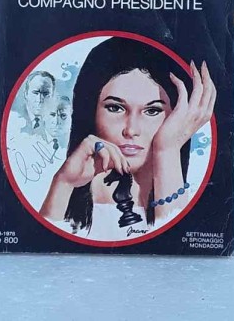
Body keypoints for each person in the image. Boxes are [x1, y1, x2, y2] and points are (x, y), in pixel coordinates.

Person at [39, 38, 216, 237]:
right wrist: (63, 183)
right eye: (115, 108)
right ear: (91, 111)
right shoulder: (67, 190)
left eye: (152, 111)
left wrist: (167, 151)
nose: (131, 130)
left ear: (178, 116)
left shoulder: (199, 202)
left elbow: (176, 247)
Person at [21, 70, 55, 135]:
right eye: (35, 92)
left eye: (46, 93)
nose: (39, 99)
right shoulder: (14, 121)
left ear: (52, 95)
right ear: (26, 94)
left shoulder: (55, 123)